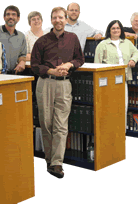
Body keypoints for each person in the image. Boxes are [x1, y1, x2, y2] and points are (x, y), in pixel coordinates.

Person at [31, 7, 84, 178]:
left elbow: (80, 59)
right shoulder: (42, 41)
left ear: (66, 19)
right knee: (46, 124)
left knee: (61, 125)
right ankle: (49, 159)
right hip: (45, 83)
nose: (58, 20)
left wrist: (69, 65)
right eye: (55, 18)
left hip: (64, 85)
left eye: (61, 17)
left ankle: (56, 163)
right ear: (51, 20)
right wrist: (51, 71)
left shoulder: (73, 38)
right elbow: (34, 64)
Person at [94, 20, 138, 128]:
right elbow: (97, 64)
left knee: (123, 107)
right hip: (107, 81)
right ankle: (109, 130)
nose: (116, 30)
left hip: (122, 79)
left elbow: (137, 52)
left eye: (118, 28)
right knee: (109, 107)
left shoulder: (127, 42)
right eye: (113, 28)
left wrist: (133, 60)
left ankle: (121, 132)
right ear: (109, 30)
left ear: (121, 30)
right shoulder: (103, 44)